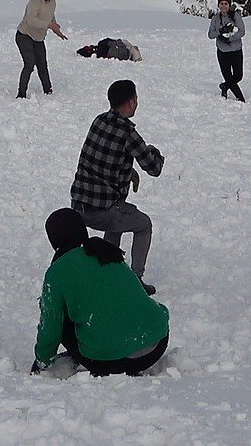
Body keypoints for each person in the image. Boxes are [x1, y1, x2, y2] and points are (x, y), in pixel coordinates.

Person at [31, 208, 169, 377]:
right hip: (158, 343)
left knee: (62, 317)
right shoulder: (107, 252)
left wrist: (42, 360)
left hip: (111, 360)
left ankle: (96, 346)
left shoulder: (57, 272)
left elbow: (51, 325)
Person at [70, 80, 165, 294]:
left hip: (79, 205)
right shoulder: (128, 134)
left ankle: (108, 271)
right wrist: (154, 152)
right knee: (143, 225)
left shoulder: (99, 121)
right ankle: (135, 281)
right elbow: (154, 168)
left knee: (118, 218)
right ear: (131, 102)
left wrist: (127, 171)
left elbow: (100, 159)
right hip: (102, 210)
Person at [15, 0, 67, 98]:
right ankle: (21, 94)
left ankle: (48, 90)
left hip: (38, 38)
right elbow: (32, 21)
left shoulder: (53, 3)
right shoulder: (33, 3)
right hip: (24, 35)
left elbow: (50, 17)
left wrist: (57, 31)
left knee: (42, 64)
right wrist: (49, 25)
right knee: (29, 63)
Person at [207, 0, 246, 102]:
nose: (223, 6)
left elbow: (242, 31)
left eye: (226, 4)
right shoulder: (215, 19)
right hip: (223, 52)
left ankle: (225, 86)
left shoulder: (236, 16)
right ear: (218, 5)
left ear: (229, 5)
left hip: (236, 50)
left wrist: (230, 39)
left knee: (238, 76)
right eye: (221, 4)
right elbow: (210, 35)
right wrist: (220, 31)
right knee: (228, 77)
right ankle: (241, 100)